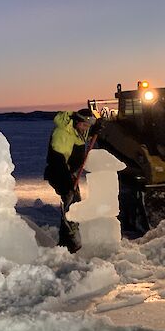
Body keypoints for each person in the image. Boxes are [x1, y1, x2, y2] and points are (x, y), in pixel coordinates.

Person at [44, 108, 100, 253]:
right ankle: (70, 241)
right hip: (59, 172)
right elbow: (57, 160)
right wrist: (67, 181)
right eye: (84, 126)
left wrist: (94, 130)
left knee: (74, 202)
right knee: (71, 203)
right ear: (76, 121)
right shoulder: (62, 133)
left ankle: (65, 241)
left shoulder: (78, 130)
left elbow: (82, 137)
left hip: (68, 172)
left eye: (88, 126)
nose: (85, 129)